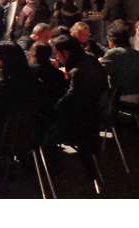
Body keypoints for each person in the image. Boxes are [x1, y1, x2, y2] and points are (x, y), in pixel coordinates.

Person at [49, 35, 108, 175]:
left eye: (57, 54)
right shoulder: (90, 59)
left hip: (83, 119)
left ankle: (49, 167)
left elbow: (71, 97)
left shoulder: (78, 70)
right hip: (97, 111)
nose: (57, 58)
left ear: (66, 53)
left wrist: (53, 110)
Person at [0, 42, 45, 153]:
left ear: (4, 60)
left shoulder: (0, 87)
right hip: (30, 136)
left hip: (2, 140)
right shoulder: (36, 83)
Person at [100, 21, 139, 104]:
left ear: (111, 41)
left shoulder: (113, 53)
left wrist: (98, 63)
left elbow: (99, 74)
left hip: (123, 97)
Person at [29, 42, 68, 116]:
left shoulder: (29, 71)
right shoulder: (58, 73)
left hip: (34, 112)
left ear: (33, 53)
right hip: (53, 111)